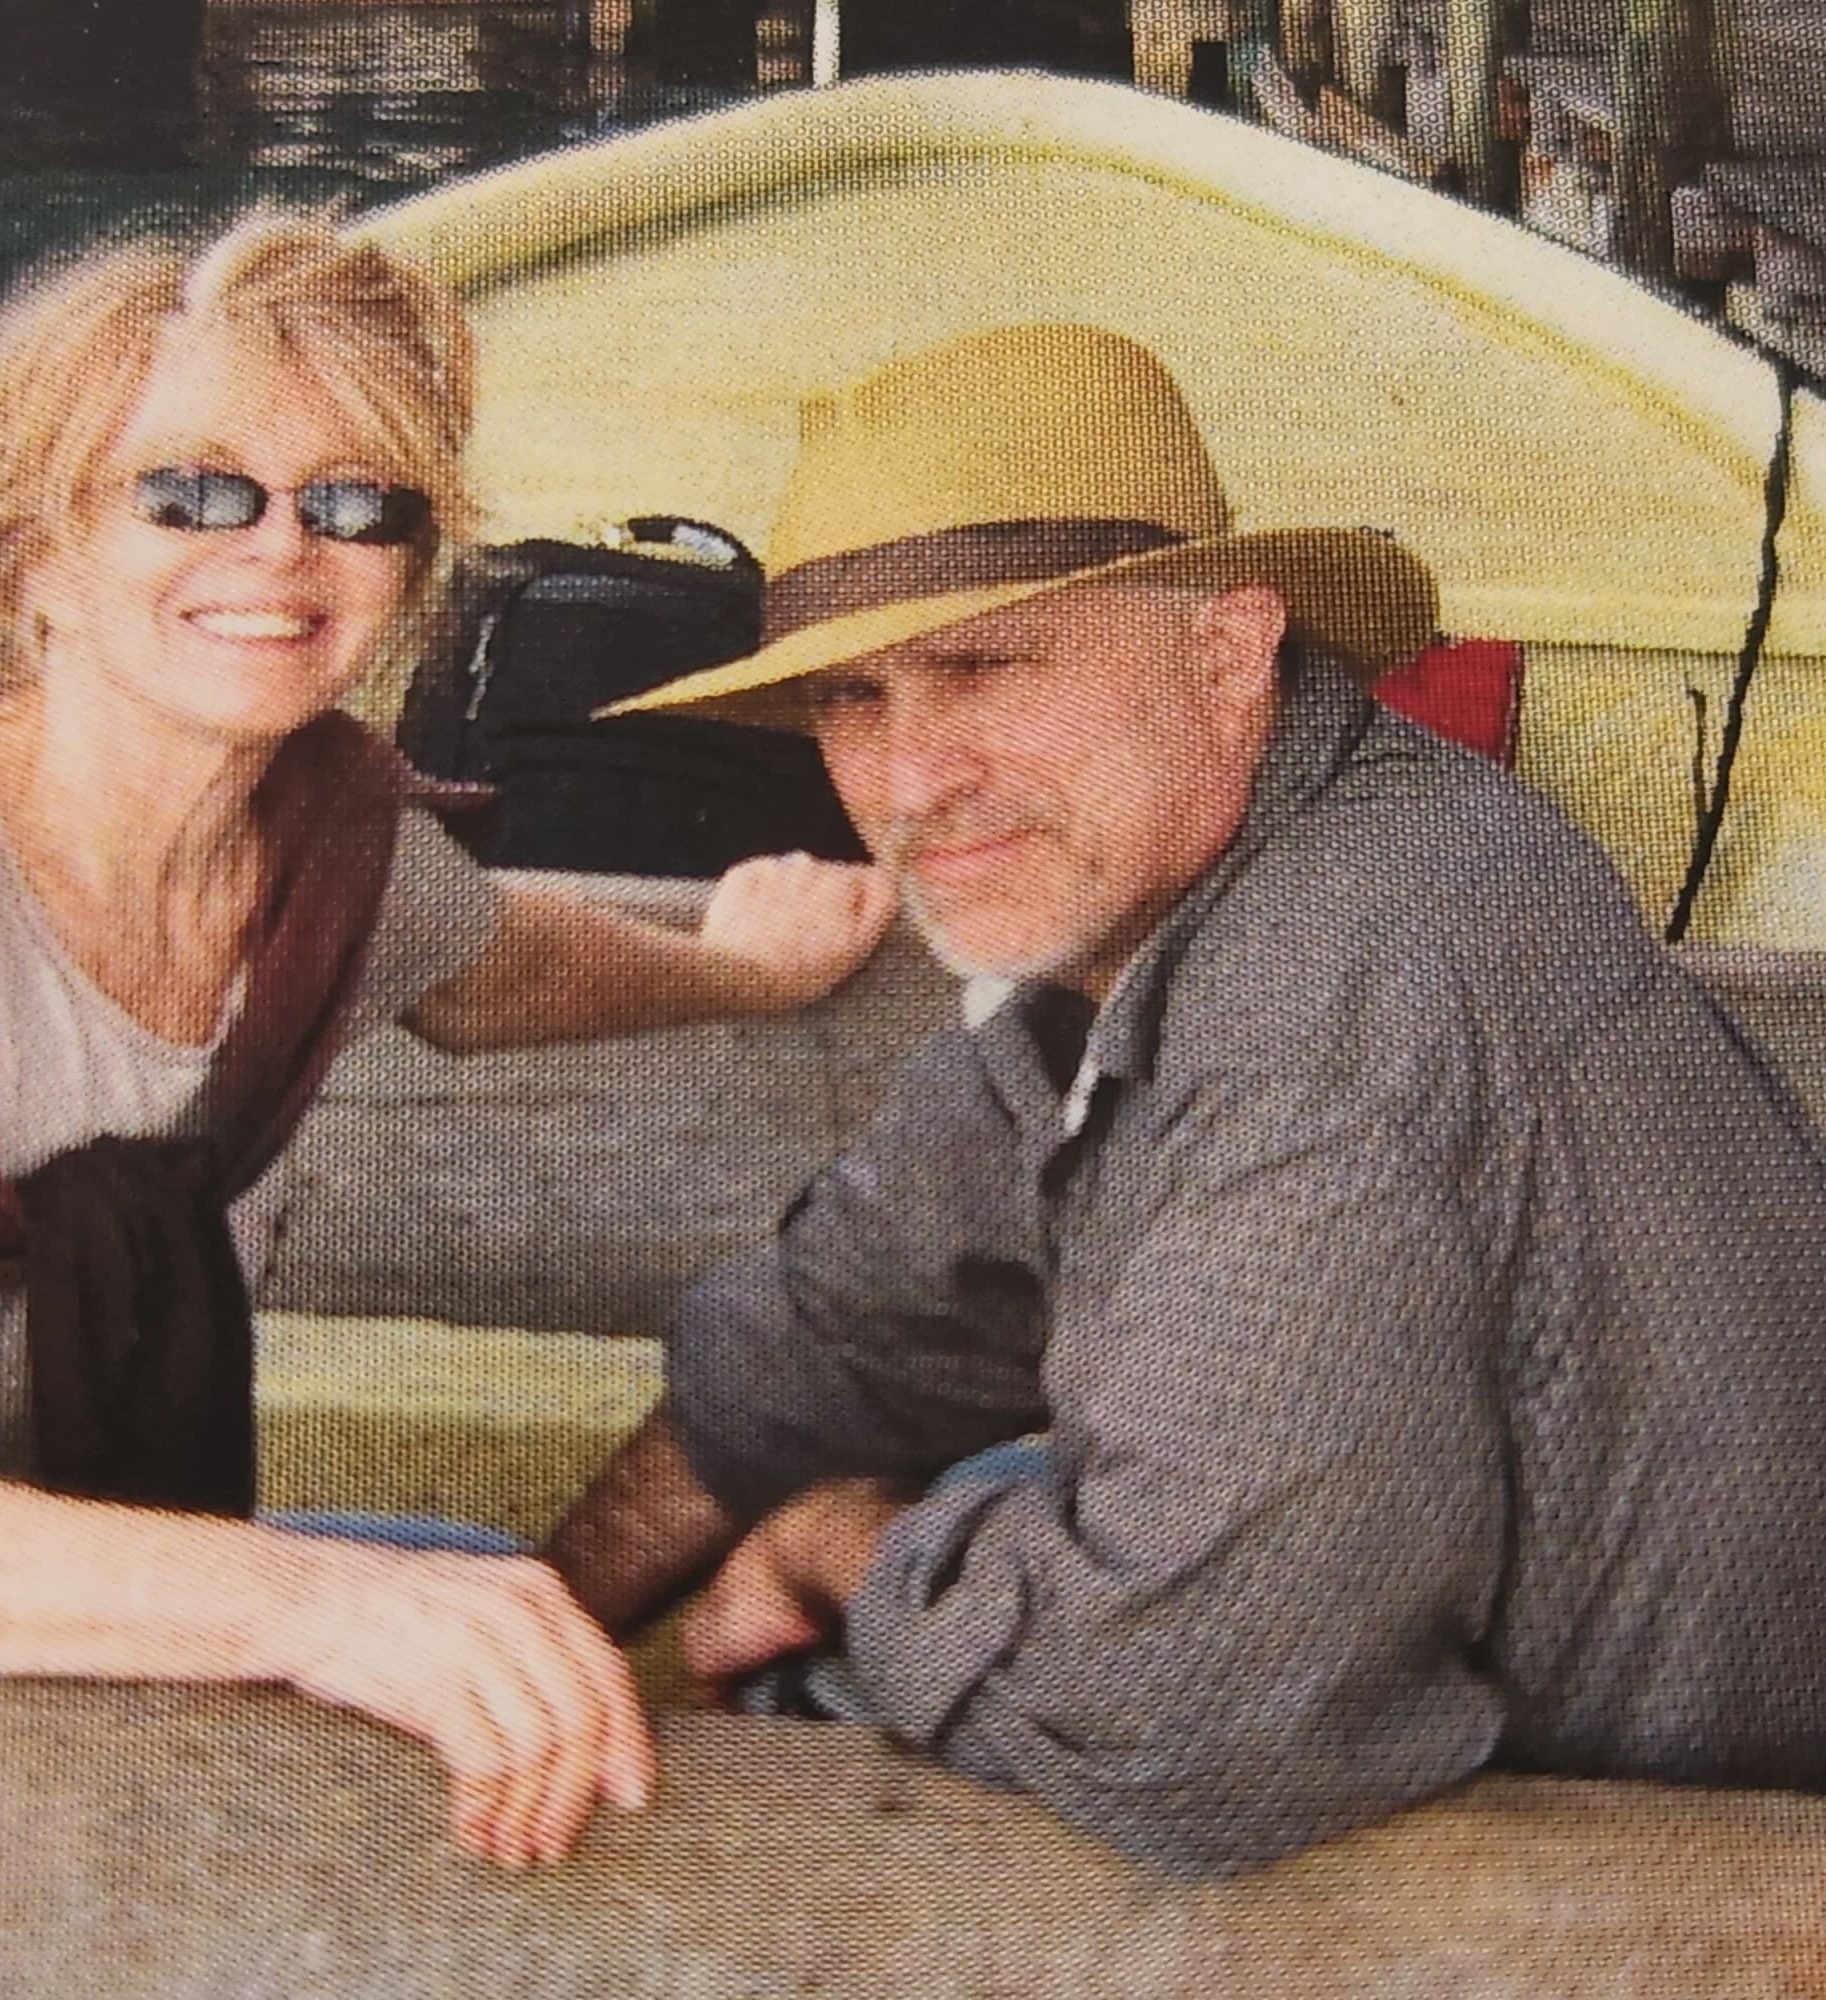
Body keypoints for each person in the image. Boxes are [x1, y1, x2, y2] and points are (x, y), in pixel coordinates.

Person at [543, 322, 1826, 1876]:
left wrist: (846, 1550)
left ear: (1226, 658)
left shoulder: (1336, 997)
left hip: (1666, 1882)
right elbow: (846, 1327)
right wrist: (542, 1617)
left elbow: (1178, 1713)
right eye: (852, 702)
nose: (909, 777)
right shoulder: (1148, 905)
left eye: (983, 666)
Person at [0, 215, 894, 1873]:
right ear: (36, 549)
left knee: (492, 1598)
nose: (279, 552)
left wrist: (741, 971)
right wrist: (320, 1607)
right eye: (189, 493)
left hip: (107, 1576)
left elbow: (483, 967)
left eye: (354, 503)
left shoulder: (315, 835)